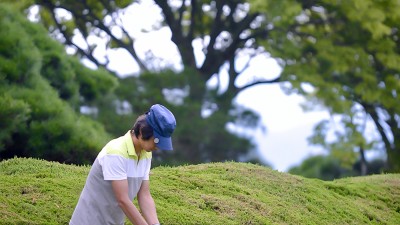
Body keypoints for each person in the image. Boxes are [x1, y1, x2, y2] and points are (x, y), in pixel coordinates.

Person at [70, 104, 176, 225]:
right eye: (156, 141)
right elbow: (123, 200)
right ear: (142, 132)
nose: (158, 147)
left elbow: (144, 195)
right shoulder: (116, 153)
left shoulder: (146, 154)